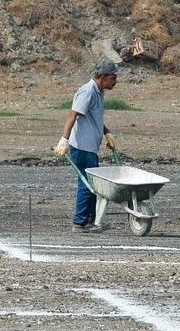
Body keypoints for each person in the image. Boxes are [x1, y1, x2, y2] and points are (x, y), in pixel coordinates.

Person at [54, 60, 119, 233]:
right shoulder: (88, 91)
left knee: (93, 185)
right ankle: (80, 222)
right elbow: (72, 115)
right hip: (82, 147)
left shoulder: (99, 92)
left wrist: (107, 132)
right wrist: (64, 140)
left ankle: (89, 221)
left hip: (90, 147)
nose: (115, 81)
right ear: (103, 77)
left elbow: (93, 117)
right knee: (87, 184)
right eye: (113, 77)